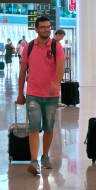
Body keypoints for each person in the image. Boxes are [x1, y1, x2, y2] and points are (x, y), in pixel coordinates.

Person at [17, 16, 65, 175]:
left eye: (48, 26)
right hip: (33, 94)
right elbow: (23, 71)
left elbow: (60, 69)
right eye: (43, 27)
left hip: (51, 96)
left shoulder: (56, 47)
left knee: (49, 127)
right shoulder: (29, 47)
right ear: (36, 29)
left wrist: (55, 84)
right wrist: (20, 93)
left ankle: (45, 156)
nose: (47, 29)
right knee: (34, 127)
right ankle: (33, 160)